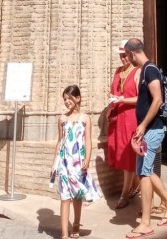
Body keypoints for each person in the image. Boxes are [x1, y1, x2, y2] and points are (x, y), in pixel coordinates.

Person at [123, 37, 167, 238]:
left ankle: (146, 223)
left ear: (132, 53)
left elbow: (157, 100)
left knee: (145, 174)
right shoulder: (145, 71)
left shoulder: (150, 70)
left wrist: (142, 125)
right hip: (148, 130)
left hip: (152, 130)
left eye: (127, 56)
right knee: (145, 171)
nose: (127, 60)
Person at [50, 85, 102, 239]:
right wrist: (54, 164)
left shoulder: (85, 118)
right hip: (65, 163)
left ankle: (76, 223)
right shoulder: (62, 119)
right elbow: (60, 141)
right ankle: (64, 235)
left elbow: (88, 140)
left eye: (69, 98)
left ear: (78, 98)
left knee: (77, 196)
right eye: (64, 99)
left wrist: (87, 159)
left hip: (78, 163)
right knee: (64, 197)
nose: (67, 101)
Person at [106, 40, 141, 207]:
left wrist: (123, 99)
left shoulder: (137, 71)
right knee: (120, 152)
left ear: (131, 54)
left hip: (130, 117)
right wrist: (110, 106)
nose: (122, 58)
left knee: (128, 155)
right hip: (118, 116)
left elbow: (141, 98)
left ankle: (124, 194)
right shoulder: (118, 71)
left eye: (124, 55)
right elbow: (114, 91)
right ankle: (135, 185)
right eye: (120, 55)